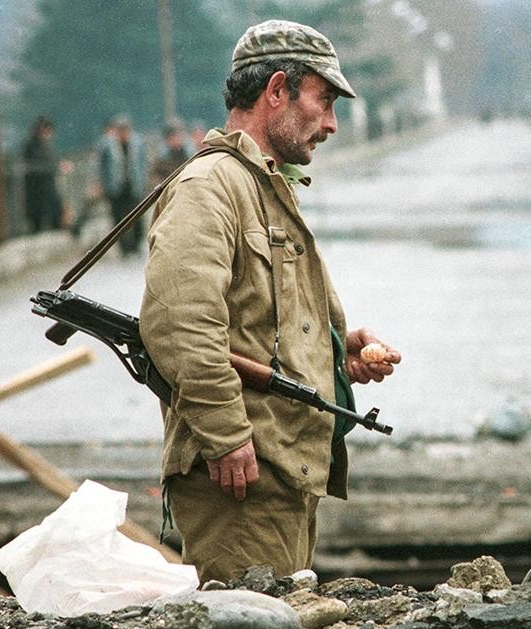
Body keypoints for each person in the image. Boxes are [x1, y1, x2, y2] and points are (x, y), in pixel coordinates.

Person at [139, 20, 400, 585]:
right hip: (240, 480)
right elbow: (180, 325)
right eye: (324, 100)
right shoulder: (210, 187)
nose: (331, 123)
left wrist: (339, 352)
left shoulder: (264, 185)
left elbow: (265, 323)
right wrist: (226, 434)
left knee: (284, 628)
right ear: (277, 90)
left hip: (281, 474)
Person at [98, 114, 147, 254]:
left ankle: (136, 245)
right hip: (116, 187)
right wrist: (104, 184)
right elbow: (102, 167)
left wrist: (143, 181)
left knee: (137, 216)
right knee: (118, 218)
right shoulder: (108, 146)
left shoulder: (137, 144)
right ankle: (124, 247)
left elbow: (143, 163)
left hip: (133, 185)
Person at [21, 115, 63, 232]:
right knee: (38, 220)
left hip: (47, 187)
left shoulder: (46, 146)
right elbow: (34, 165)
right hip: (37, 188)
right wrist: (56, 167)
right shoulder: (31, 146)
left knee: (54, 216)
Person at [149, 120, 193, 187]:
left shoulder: (190, 157)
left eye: (178, 136)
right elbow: (155, 181)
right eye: (173, 137)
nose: (176, 139)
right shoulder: (161, 161)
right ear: (167, 139)